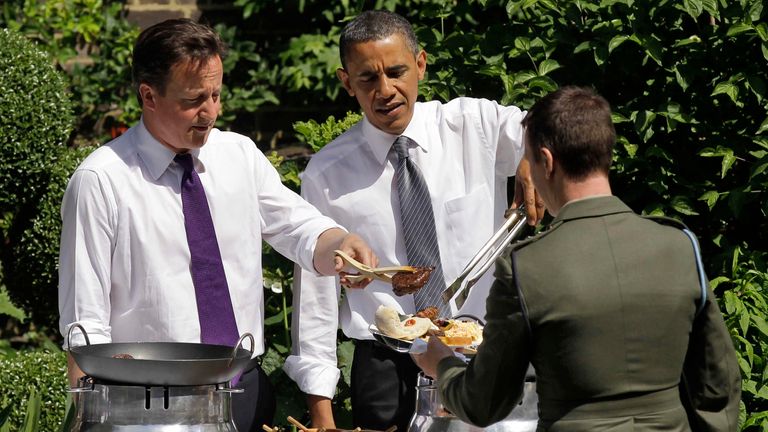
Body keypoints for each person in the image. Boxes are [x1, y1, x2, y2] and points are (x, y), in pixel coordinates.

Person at [58, 18, 378, 432]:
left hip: (244, 391)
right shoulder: (101, 180)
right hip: (149, 406)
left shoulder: (239, 155)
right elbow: (85, 322)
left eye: (216, 94)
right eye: (195, 99)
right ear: (148, 96)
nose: (211, 111)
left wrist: (339, 242)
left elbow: (298, 227)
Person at [412, 86, 742, 431]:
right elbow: (717, 384)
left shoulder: (525, 267)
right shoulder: (679, 246)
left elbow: (484, 402)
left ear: (547, 162)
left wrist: (443, 365)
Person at [283, 10, 543, 431]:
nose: (385, 90)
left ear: (420, 63)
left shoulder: (472, 125)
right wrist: (321, 412)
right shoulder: (326, 174)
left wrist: (535, 147)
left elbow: (547, 123)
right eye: (367, 78)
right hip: (385, 368)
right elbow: (315, 299)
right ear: (346, 82)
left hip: (480, 352)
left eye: (397, 71)